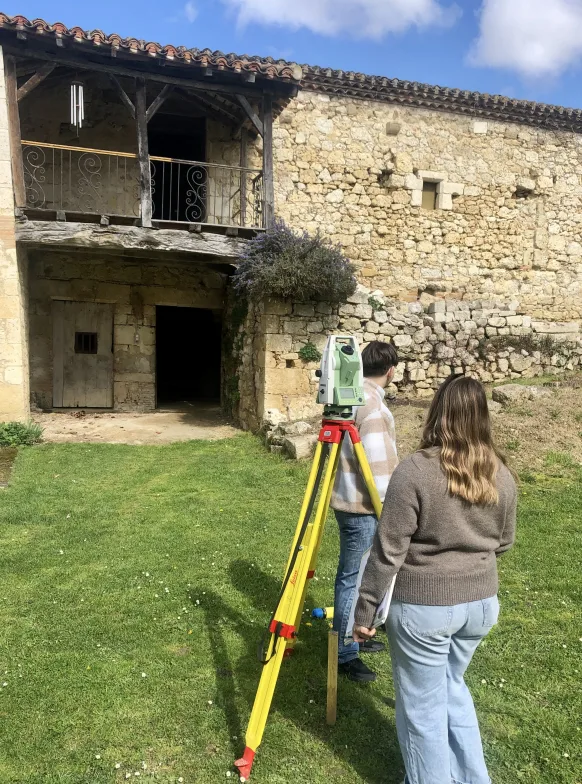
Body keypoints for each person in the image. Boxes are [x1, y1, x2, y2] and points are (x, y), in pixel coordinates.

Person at [353, 375, 518, 784]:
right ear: (482, 417)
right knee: (452, 689)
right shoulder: (502, 473)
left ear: (438, 412)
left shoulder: (416, 470)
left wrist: (365, 611)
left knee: (423, 710)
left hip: (425, 608)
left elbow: (388, 550)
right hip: (479, 605)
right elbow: (504, 543)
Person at [330, 340, 400, 683]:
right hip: (364, 505)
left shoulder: (353, 396)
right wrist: (395, 506)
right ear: (390, 370)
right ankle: (345, 651)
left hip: (348, 500)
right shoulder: (372, 406)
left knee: (353, 576)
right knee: (355, 580)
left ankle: (356, 635)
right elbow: (378, 466)